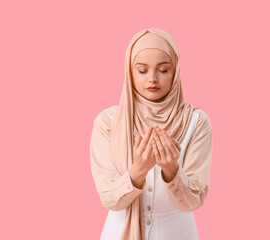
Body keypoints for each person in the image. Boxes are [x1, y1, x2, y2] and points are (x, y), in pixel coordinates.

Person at [89, 27, 213, 240]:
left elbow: (194, 201)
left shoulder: (197, 121)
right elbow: (108, 198)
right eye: (142, 70)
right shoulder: (108, 122)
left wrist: (172, 171)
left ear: (175, 71)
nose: (152, 79)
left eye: (163, 70)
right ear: (129, 71)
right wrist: (138, 170)